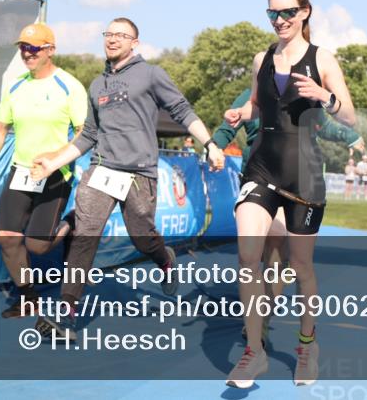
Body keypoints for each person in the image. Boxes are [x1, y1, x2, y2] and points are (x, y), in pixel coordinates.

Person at [31, 17, 225, 339]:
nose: (113, 40)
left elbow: (182, 110)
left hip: (139, 174)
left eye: (121, 35)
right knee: (85, 233)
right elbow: (87, 136)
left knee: (142, 237)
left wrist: (211, 144)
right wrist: (53, 162)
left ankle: (164, 258)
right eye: (109, 34)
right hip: (101, 169)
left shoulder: (151, 74)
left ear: (135, 43)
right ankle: (67, 314)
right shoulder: (97, 85)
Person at [222, 0, 356, 388]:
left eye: (287, 13)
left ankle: (306, 344)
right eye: (272, 14)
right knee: (249, 255)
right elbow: (258, 105)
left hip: (305, 174)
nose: (279, 20)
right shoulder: (261, 58)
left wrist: (324, 96)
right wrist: (241, 111)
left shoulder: (323, 59)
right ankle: (254, 352)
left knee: (301, 267)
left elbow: (350, 117)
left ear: (305, 13)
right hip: (261, 167)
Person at [212, 86, 363, 344]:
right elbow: (227, 128)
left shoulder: (304, 93)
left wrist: (349, 136)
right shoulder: (249, 95)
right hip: (257, 178)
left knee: (276, 254)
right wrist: (214, 147)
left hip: (294, 181)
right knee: (250, 255)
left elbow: (324, 127)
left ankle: (261, 321)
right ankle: (257, 317)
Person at [0, 22, 88, 318]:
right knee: (8, 238)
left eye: (34, 48)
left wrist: (56, 155)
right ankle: (28, 299)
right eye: (24, 47)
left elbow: (85, 132)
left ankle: (70, 225)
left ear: (50, 50)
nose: (28, 53)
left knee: (37, 246)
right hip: (22, 171)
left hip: (55, 175)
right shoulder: (15, 85)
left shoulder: (69, 86)